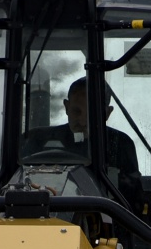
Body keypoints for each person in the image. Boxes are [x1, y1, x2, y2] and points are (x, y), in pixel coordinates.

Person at [22, 77, 144, 208]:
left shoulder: (120, 144)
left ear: (107, 113)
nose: (82, 121)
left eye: (91, 114)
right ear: (66, 107)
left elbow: (132, 201)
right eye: (76, 111)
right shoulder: (37, 141)